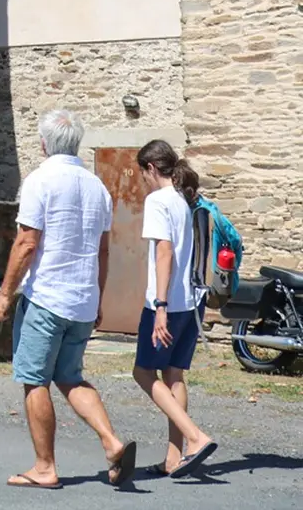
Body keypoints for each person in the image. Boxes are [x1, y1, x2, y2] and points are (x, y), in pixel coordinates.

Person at [0, 110, 136, 490]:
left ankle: (45, 466)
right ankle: (111, 441)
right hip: (83, 299)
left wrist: (6, 294)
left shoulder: (40, 181)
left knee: (34, 379)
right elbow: (104, 251)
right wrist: (99, 297)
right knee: (70, 376)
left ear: (43, 144)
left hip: (47, 297)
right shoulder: (97, 187)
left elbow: (26, 242)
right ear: (76, 145)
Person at [131, 139, 217, 478]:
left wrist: (161, 306)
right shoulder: (186, 199)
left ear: (152, 168)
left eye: (143, 174)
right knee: (174, 374)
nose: (143, 181)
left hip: (166, 303)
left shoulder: (158, 200)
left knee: (142, 372)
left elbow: (164, 252)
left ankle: (195, 438)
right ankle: (173, 458)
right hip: (192, 300)